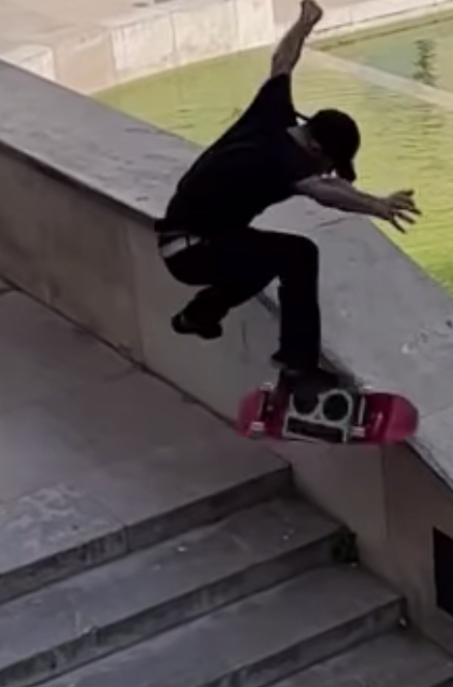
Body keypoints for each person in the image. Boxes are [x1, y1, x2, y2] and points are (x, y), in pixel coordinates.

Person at [154, 0, 420, 394]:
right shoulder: (284, 161)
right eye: (328, 163)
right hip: (195, 250)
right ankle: (298, 370)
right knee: (298, 256)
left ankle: (199, 316)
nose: (327, 172)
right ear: (316, 149)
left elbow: (283, 61)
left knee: (265, 260)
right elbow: (326, 192)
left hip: (183, 240)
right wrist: (376, 206)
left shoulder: (274, 113)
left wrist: (305, 23)